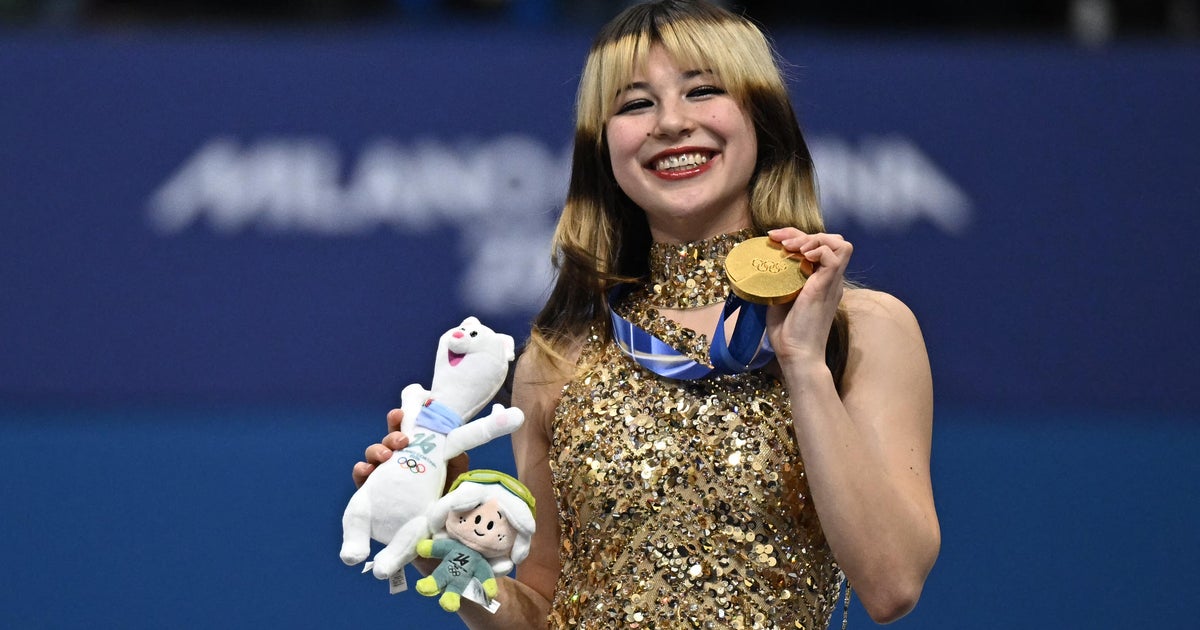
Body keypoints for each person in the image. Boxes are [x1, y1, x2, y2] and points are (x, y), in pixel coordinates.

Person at [352, 1, 940, 627]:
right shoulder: (561, 357)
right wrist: (441, 544)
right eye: (635, 104)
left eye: (703, 90)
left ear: (761, 115)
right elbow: (543, 612)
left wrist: (802, 363)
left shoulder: (863, 329)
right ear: (602, 146)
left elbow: (891, 584)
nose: (671, 122)